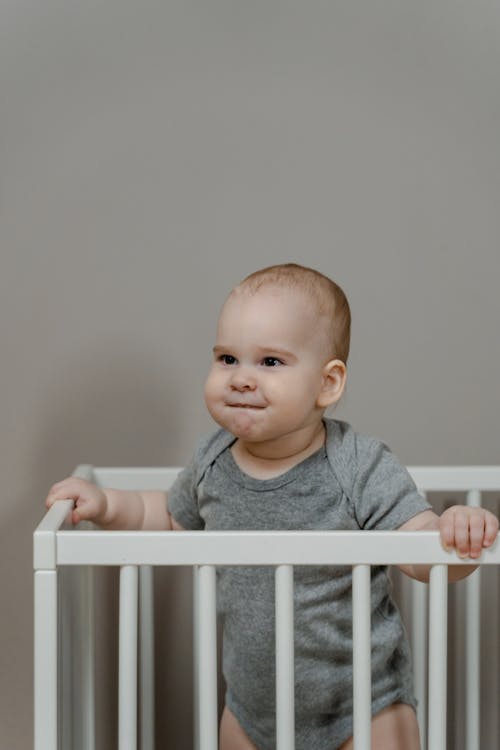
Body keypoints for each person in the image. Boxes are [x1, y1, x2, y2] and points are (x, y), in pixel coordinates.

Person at [46, 263, 498, 750]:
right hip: (251, 710)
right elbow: (170, 518)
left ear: (328, 384)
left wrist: (454, 534)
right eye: (226, 359)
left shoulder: (358, 464)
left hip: (363, 703)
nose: (241, 378)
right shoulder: (213, 461)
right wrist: (108, 506)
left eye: (270, 363)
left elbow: (418, 549)